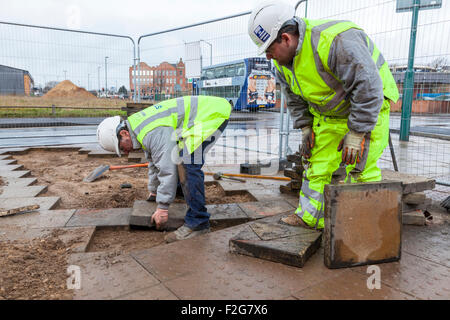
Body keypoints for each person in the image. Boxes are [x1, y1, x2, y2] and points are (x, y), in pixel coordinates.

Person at [248, 1, 399, 229]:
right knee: (316, 166)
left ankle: (364, 230)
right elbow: (295, 99)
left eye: (269, 49)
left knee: (359, 169)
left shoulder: (336, 41)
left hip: (368, 110)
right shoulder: (282, 64)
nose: (269, 57)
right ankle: (309, 218)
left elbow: (369, 89)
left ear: (286, 39)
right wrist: (306, 127)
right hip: (329, 114)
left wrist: (357, 133)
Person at [96, 95, 231, 242]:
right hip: (203, 115)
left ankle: (198, 222)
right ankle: (180, 192)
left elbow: (167, 168)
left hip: (210, 115)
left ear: (124, 133)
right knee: (179, 157)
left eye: (122, 148)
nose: (125, 152)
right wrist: (154, 191)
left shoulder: (151, 132)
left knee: (188, 162)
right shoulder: (139, 128)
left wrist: (163, 207)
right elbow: (154, 163)